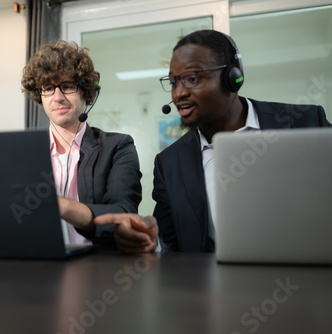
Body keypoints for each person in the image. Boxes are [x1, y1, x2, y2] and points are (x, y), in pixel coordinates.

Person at [94, 29, 331, 253]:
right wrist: (151, 240)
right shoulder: (169, 163)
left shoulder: (305, 121)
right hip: (216, 290)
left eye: (192, 78)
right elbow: (169, 244)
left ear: (233, 78)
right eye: (174, 82)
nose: (178, 94)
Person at [21, 40, 142, 246]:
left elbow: (124, 213)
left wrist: (63, 206)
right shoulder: (23, 152)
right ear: (39, 95)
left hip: (99, 267)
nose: (57, 97)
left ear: (85, 92)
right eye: (48, 88)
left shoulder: (117, 147)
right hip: (39, 267)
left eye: (67, 86)